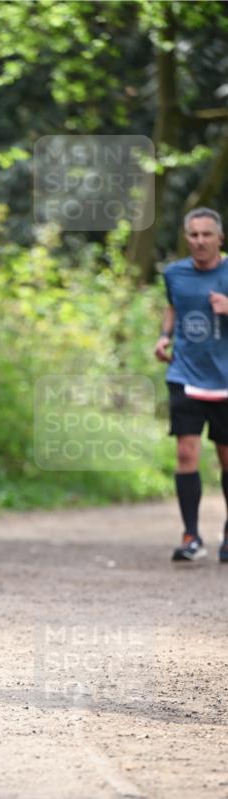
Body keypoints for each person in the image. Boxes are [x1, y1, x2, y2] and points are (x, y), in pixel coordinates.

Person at [154, 207, 228, 563]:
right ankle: (191, 536)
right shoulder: (175, 273)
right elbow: (173, 306)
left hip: (226, 381)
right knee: (186, 452)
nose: (200, 241)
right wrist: (164, 336)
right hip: (185, 374)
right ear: (187, 238)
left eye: (207, 235)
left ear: (220, 238)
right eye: (194, 235)